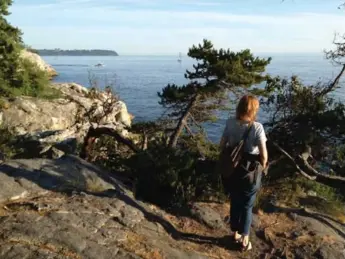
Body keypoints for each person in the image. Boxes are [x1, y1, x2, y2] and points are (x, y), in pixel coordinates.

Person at [219, 95, 268, 252]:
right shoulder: (257, 127)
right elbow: (264, 155)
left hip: (233, 170)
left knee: (235, 200)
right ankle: (245, 240)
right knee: (247, 205)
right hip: (250, 172)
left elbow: (222, 145)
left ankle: (235, 233)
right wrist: (263, 166)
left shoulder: (230, 123)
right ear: (254, 110)